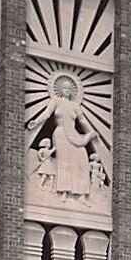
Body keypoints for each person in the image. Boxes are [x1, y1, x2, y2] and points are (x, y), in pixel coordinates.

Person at [27, 75, 97, 203]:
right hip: (60, 134)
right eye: (65, 87)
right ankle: (63, 192)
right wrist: (36, 122)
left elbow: (82, 121)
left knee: (82, 160)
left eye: (70, 88)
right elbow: (47, 114)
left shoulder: (75, 106)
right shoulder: (56, 101)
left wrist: (91, 131)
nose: (67, 90)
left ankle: (81, 194)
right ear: (59, 89)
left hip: (75, 135)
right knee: (64, 162)